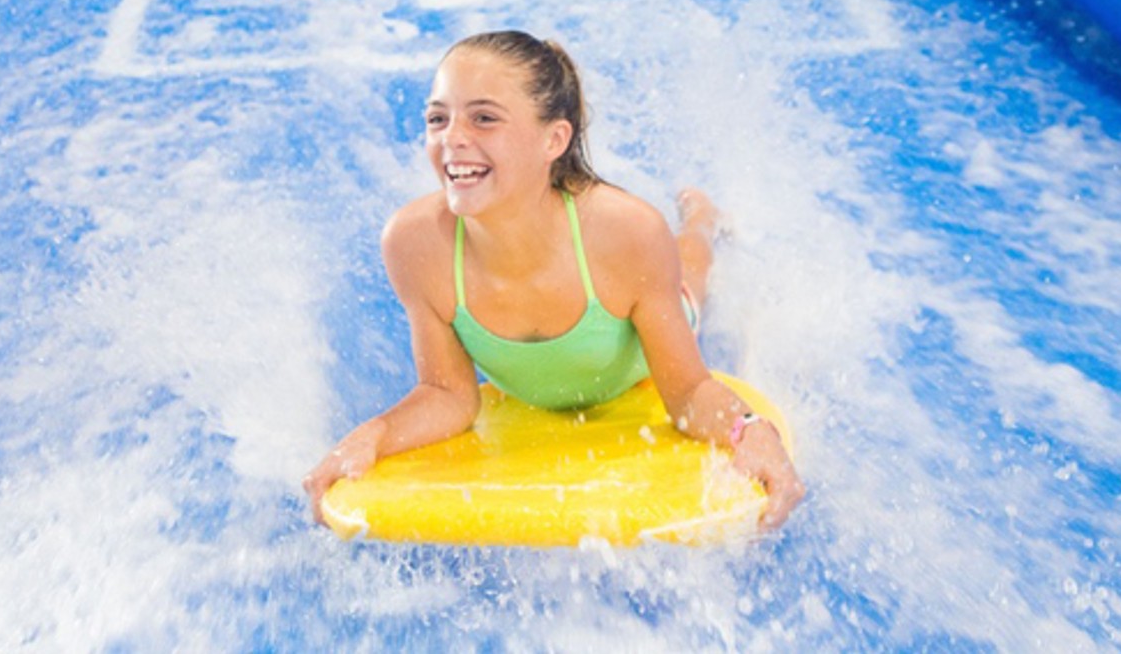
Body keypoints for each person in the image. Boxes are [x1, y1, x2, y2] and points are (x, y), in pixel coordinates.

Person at [302, 31, 806, 531]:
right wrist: (374, 434)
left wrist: (749, 431)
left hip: (629, 359)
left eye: (483, 118)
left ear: (554, 139)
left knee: (689, 274)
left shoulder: (626, 234)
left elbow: (689, 392)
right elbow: (448, 394)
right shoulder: (414, 243)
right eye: (438, 118)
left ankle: (701, 219)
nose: (452, 138)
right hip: (549, 364)